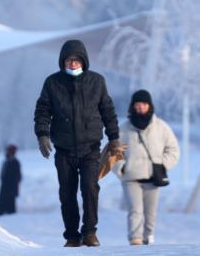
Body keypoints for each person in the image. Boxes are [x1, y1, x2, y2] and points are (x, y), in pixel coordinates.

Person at [34, 39, 121, 248]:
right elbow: (42, 111)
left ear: (84, 60)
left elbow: (107, 111)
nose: (72, 64)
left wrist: (114, 137)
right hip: (64, 150)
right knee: (67, 192)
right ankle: (72, 236)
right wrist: (42, 135)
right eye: (68, 60)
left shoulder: (97, 82)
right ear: (62, 62)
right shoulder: (52, 83)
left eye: (76, 60)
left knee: (90, 188)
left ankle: (90, 232)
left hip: (90, 148)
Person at [114, 89, 180, 246]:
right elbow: (113, 152)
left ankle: (148, 238)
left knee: (150, 213)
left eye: (144, 104)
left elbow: (174, 149)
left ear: (149, 106)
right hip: (131, 177)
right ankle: (135, 239)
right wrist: (121, 167)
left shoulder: (161, 127)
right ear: (132, 107)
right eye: (137, 104)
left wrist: (162, 165)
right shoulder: (123, 129)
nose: (140, 108)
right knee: (135, 210)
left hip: (153, 177)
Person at [0, 144, 23, 216]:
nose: (6, 152)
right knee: (4, 202)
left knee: (10, 204)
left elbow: (18, 177)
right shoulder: (7, 161)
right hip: (6, 186)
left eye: (7, 151)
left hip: (10, 187)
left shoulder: (14, 162)